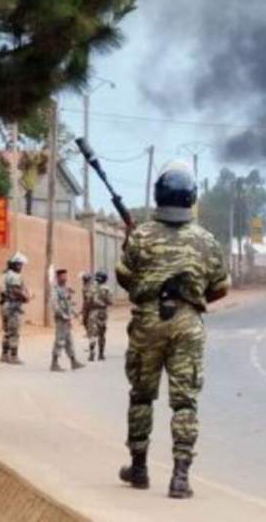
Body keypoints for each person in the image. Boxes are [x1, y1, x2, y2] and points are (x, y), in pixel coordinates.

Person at [116, 161, 230, 499]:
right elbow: (221, 287)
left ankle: (138, 468)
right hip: (187, 323)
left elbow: (124, 276)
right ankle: (180, 478)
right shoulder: (206, 240)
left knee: (141, 396)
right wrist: (196, 297)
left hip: (148, 321)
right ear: (191, 198)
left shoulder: (141, 235)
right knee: (185, 403)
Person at [50, 268, 86, 372]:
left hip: (67, 319)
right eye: (62, 276)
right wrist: (62, 315)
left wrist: (75, 314)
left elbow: (69, 304)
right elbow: (55, 305)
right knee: (59, 341)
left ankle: (73, 361)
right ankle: (54, 363)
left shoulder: (65, 289)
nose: (65, 278)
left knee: (69, 341)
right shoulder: (55, 290)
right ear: (58, 277)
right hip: (61, 319)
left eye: (65, 276)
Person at [0, 252, 31, 364]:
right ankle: (13, 356)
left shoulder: (4, 274)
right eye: (19, 264)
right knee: (14, 332)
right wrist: (26, 297)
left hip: (4, 306)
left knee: (7, 332)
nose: (21, 267)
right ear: (15, 265)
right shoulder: (14, 276)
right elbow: (16, 290)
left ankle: (4, 355)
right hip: (13, 307)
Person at [86, 270, 114, 361]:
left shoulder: (91, 288)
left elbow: (88, 301)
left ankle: (91, 352)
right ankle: (101, 354)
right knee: (102, 334)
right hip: (102, 313)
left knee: (92, 334)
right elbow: (110, 302)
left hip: (92, 312)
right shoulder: (107, 289)